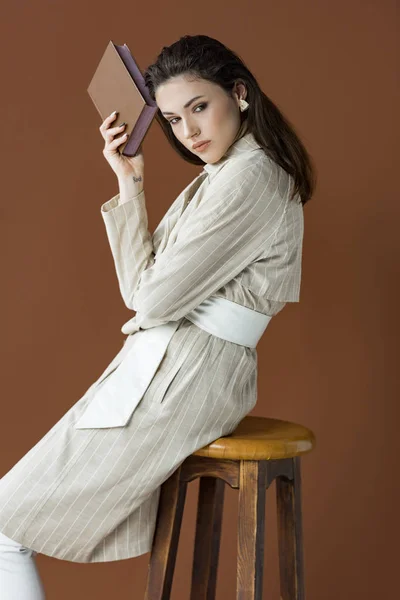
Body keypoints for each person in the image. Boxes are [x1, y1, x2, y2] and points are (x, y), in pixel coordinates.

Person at [0, 34, 316, 598]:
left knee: (4, 527)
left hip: (189, 374)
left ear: (238, 94)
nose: (189, 132)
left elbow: (150, 300)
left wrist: (153, 302)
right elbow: (139, 293)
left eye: (199, 107)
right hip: (166, 363)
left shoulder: (252, 177)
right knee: (5, 521)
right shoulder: (219, 176)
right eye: (172, 119)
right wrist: (130, 181)